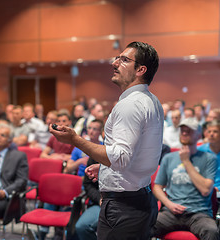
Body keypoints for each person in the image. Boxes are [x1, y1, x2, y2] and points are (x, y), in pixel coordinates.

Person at [50, 41, 163, 240]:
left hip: (124, 207)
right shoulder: (151, 100)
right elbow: (137, 154)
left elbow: (119, 159)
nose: (114, 63)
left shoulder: (130, 105)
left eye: (124, 59)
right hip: (141, 198)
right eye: (118, 58)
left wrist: (74, 139)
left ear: (141, 69)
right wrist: (105, 168)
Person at [151, 118, 219, 239]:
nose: (184, 133)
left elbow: (205, 190)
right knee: (144, 226)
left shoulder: (209, 158)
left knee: (211, 231)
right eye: (182, 130)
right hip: (171, 212)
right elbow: (157, 187)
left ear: (199, 135)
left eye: (189, 131)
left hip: (199, 213)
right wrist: (168, 204)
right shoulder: (169, 158)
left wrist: (186, 161)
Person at [75, 157, 102, 240]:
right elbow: (88, 185)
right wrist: (99, 199)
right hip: (100, 203)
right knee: (82, 227)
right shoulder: (96, 156)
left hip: (124, 204)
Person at [198, 120, 220, 190]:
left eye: (215, 131)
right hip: (204, 190)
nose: (211, 134)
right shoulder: (199, 151)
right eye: (209, 131)